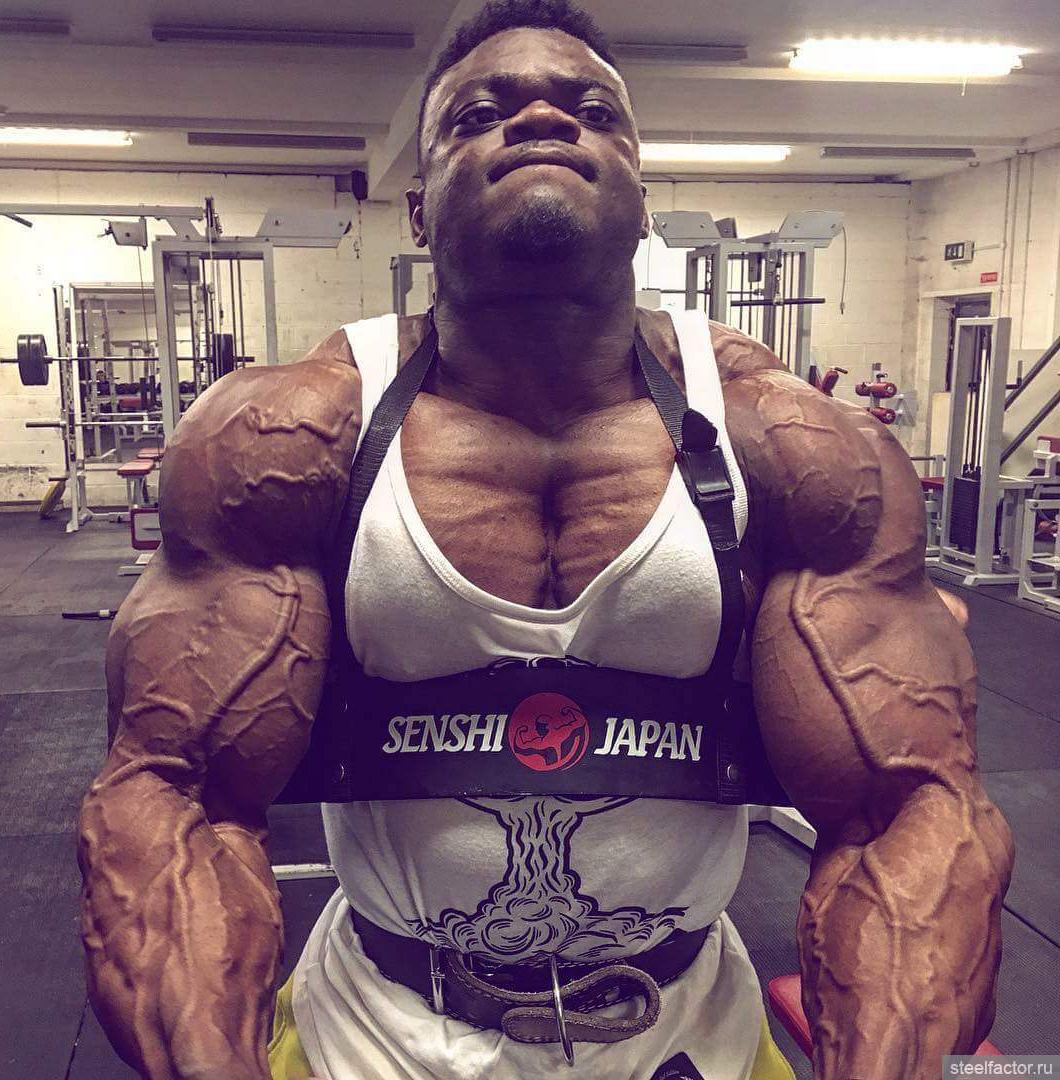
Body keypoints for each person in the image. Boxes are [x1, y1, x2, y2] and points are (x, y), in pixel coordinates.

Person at [78, 2, 1013, 1078]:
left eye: (591, 110)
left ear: (642, 198)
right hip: (375, 1037)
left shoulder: (792, 446)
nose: (540, 121)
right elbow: (176, 795)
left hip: (688, 1039)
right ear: (418, 208)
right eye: (480, 113)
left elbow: (907, 808)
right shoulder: (284, 437)